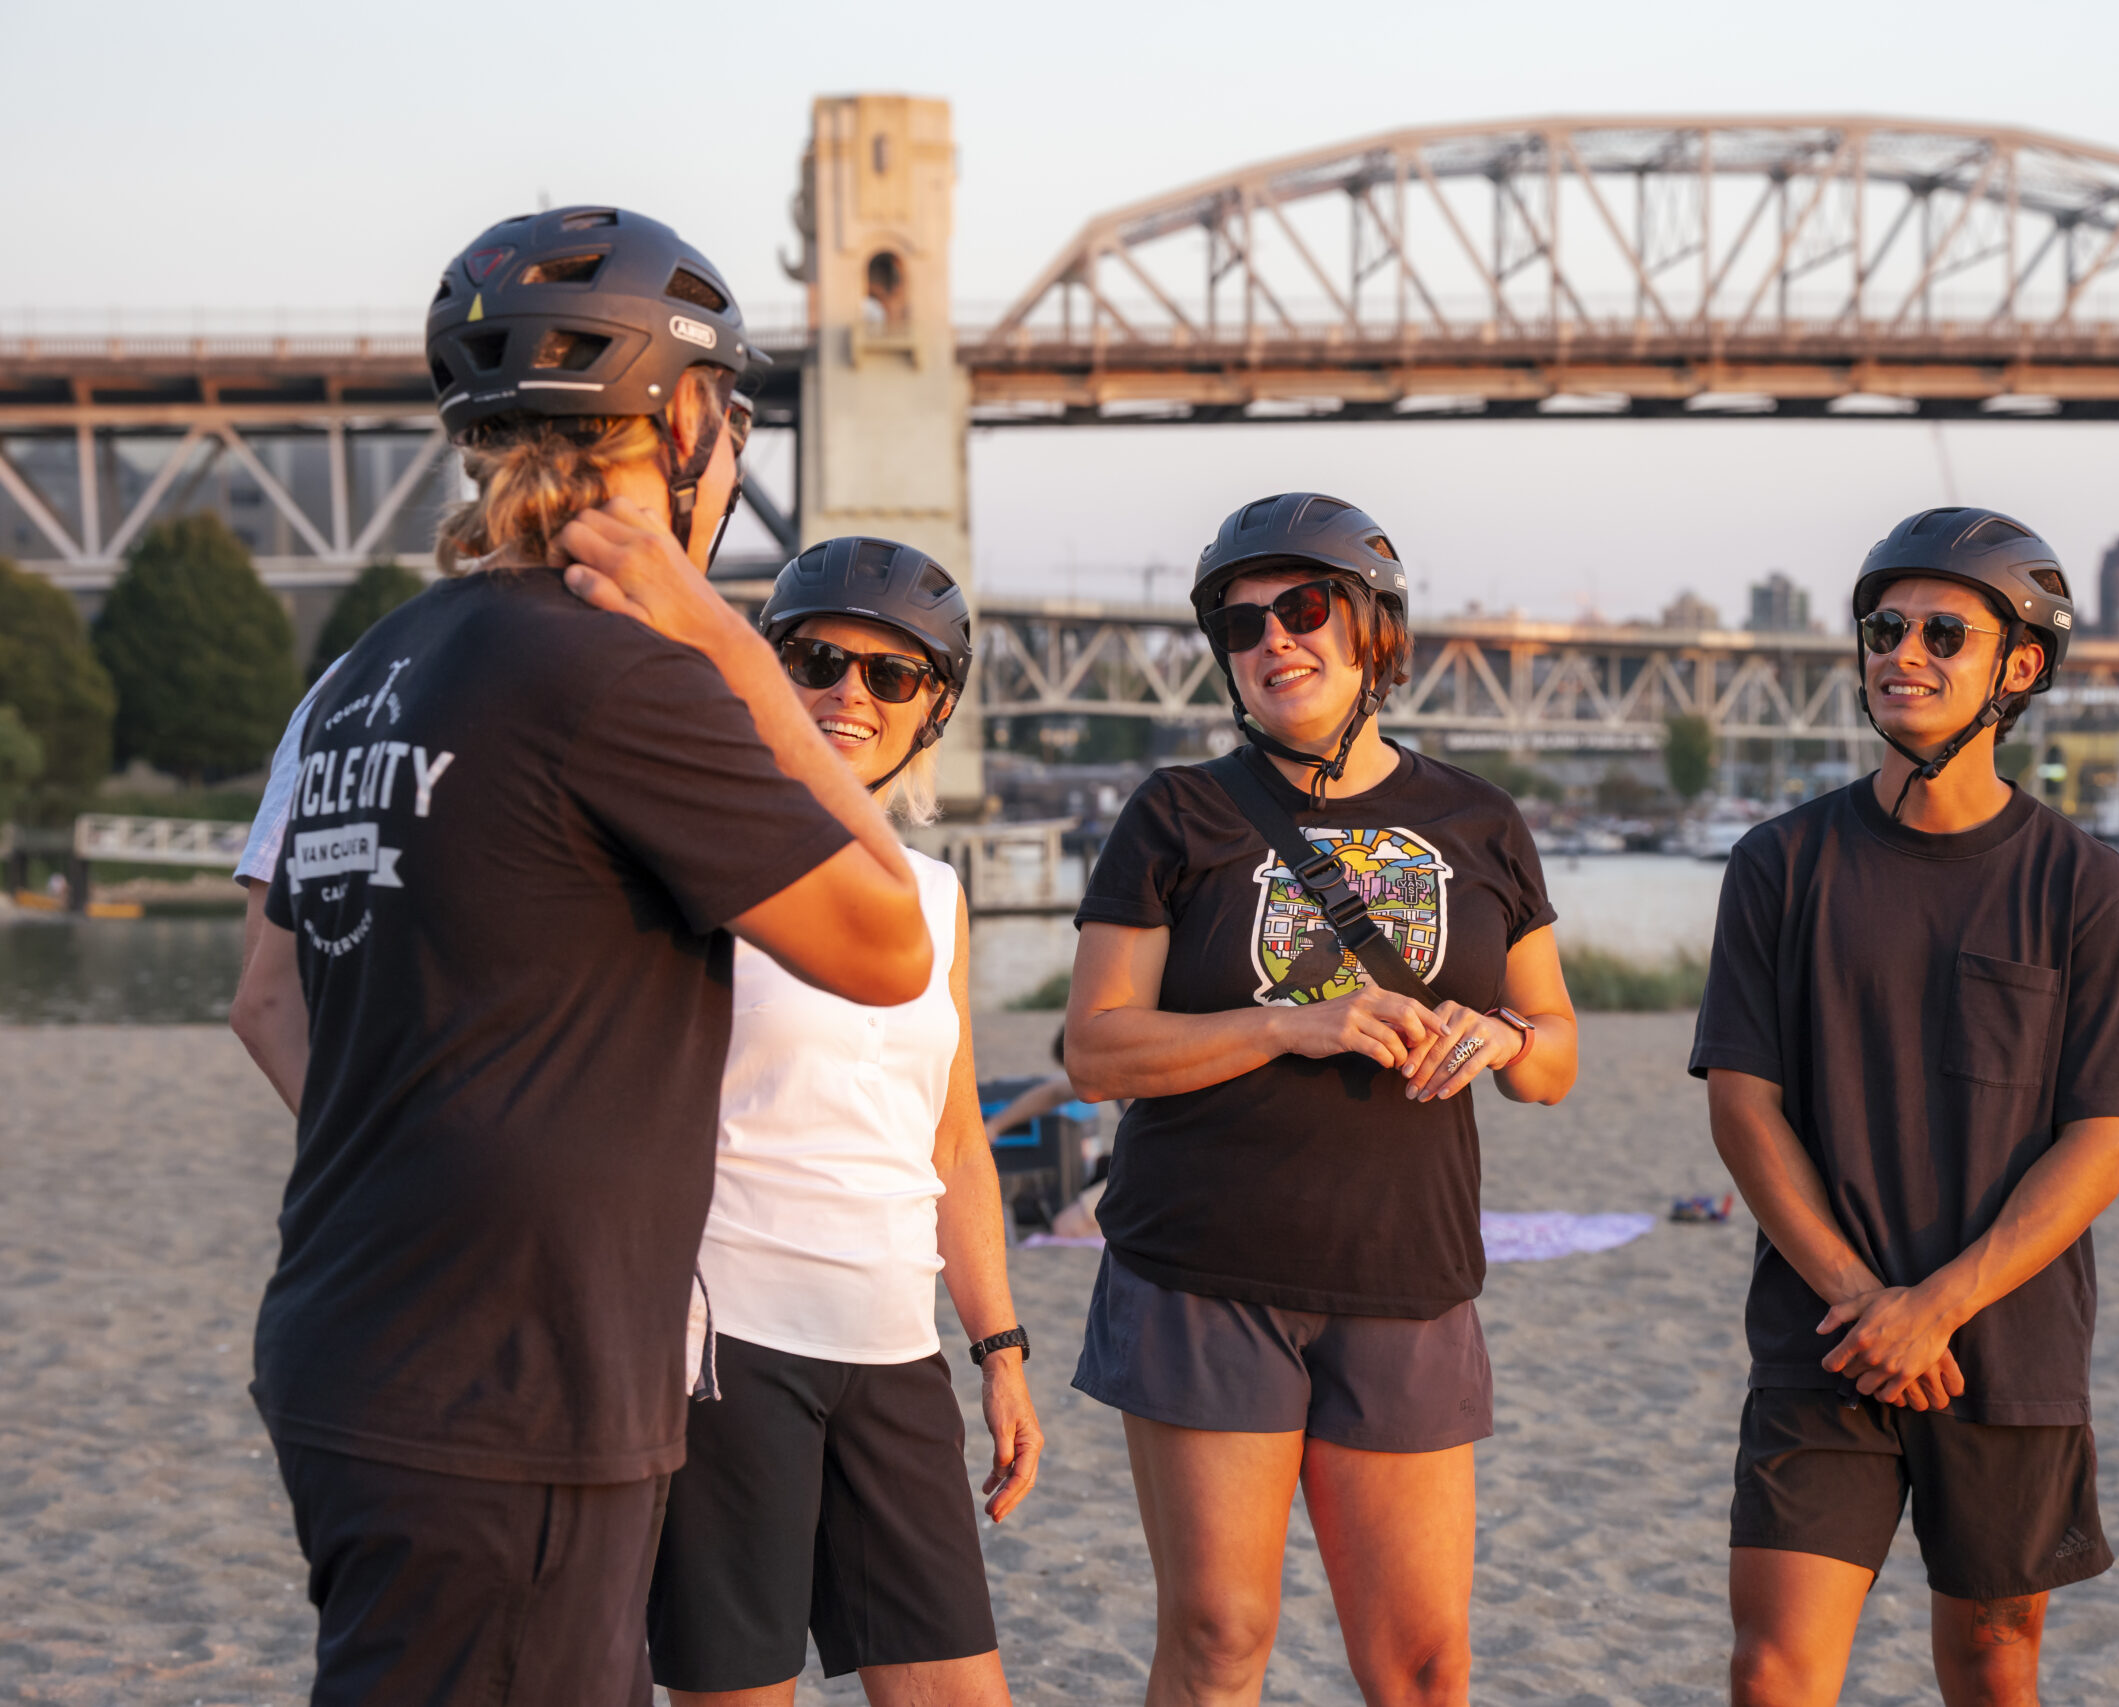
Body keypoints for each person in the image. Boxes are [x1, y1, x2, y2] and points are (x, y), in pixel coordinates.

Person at [227, 206, 934, 1707]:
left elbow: (267, 995)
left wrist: (447, 1159)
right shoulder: (620, 672)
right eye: (733, 416)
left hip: (355, 1336)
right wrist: (738, 648)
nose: (734, 453)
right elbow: (886, 944)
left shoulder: (378, 665)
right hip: (517, 1383)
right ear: (679, 418)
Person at [1062, 492, 1579, 1707]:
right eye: (1241, 627)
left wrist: (1497, 1036)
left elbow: (1556, 1056)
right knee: (1222, 1639)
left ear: (1373, 635)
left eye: (1303, 610)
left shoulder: (1478, 821)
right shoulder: (1176, 814)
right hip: (1203, 1272)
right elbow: (1095, 1049)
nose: (1273, 642)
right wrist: (1291, 1023)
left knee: (1423, 1666)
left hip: (1405, 1278)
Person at [1692, 505, 2119, 1707]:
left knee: (1994, 1667)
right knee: (1771, 1671)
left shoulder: (2085, 886)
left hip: (2007, 1352)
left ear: (2017, 668)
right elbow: (1745, 1110)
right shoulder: (1778, 865)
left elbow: (2097, 1141)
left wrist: (1939, 1309)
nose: (1903, 652)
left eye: (1941, 634)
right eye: (1883, 627)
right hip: (1823, 1343)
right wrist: (1867, 1307)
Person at [645, 536, 1042, 1707]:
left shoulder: (933, 894)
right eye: (815, 661)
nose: (847, 696)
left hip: (892, 1348)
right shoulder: (691, 859)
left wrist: (999, 1349)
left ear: (936, 707)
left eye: (891, 676)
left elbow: (953, 1134)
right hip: (727, 1343)